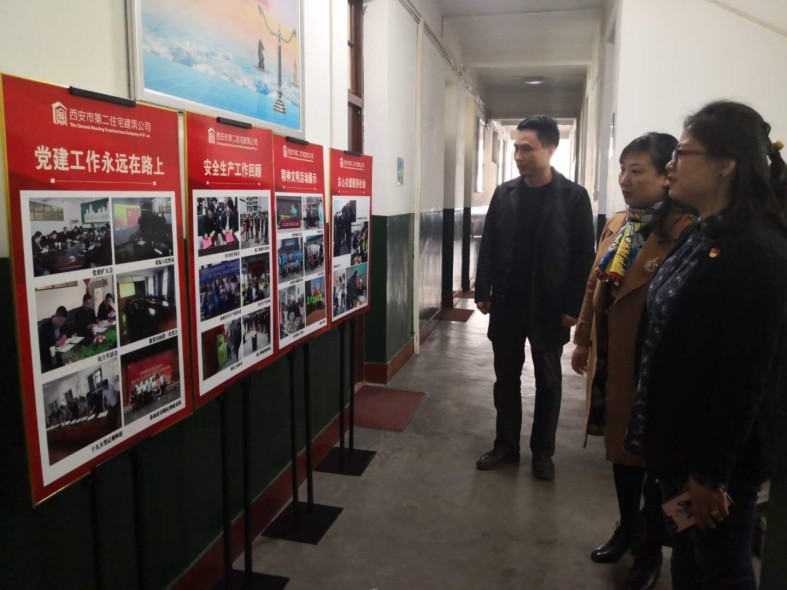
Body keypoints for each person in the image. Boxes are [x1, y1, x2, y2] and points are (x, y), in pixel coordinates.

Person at [625, 101, 787, 589]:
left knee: (723, 570)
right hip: (678, 449)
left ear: (725, 163)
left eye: (683, 153)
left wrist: (710, 475)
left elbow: (744, 378)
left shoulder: (757, 251)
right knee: (690, 564)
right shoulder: (701, 231)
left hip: (714, 466)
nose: (672, 165)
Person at [571, 132, 694, 590]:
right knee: (621, 455)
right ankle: (627, 527)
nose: (624, 179)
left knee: (655, 465)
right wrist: (583, 339)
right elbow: (595, 283)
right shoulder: (620, 223)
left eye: (636, 171)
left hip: (653, 365)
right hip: (614, 359)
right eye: (622, 169)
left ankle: (650, 549)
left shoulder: (684, 231)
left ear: (666, 176)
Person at [474, 114, 595, 480]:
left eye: (527, 149)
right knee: (505, 379)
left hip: (550, 306)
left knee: (549, 381)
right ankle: (506, 445)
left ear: (550, 149)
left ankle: (543, 451)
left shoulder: (574, 197)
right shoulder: (505, 193)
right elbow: (490, 244)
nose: (518, 156)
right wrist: (483, 290)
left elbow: (583, 257)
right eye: (516, 148)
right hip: (508, 303)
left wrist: (573, 306)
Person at [38, 305, 70, 371]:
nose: (61, 324)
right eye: (60, 321)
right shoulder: (45, 327)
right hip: (49, 359)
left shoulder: (61, 324)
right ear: (56, 316)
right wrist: (56, 344)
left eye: (63, 321)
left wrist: (64, 336)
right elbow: (45, 346)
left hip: (60, 355)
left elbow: (68, 330)